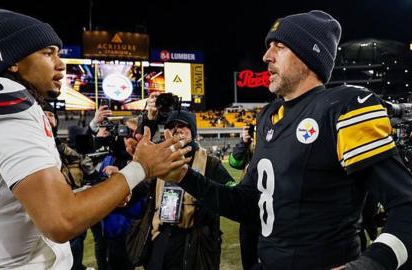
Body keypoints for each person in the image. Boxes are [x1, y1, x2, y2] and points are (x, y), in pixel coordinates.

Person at [157, 10, 412, 269]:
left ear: (309, 56)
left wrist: (372, 264)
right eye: (269, 47)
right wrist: (183, 176)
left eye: (280, 46)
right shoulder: (269, 116)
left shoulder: (343, 107)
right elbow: (248, 204)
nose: (267, 56)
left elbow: (405, 203)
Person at [0, 9, 190, 269]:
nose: (61, 63)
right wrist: (141, 167)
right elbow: (61, 220)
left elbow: (31, 201)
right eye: (48, 53)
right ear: (12, 61)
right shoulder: (6, 108)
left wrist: (100, 193)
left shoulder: (10, 109)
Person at [145, 110, 235, 270]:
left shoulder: (210, 163)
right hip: (162, 236)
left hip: (194, 239)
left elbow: (233, 196)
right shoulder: (160, 161)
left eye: (182, 126)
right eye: (171, 126)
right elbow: (144, 188)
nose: (177, 129)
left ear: (192, 131)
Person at [228, 125, 261, 270]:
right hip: (249, 208)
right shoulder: (250, 148)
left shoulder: (278, 144)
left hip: (271, 208)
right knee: (249, 257)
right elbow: (234, 162)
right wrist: (244, 142)